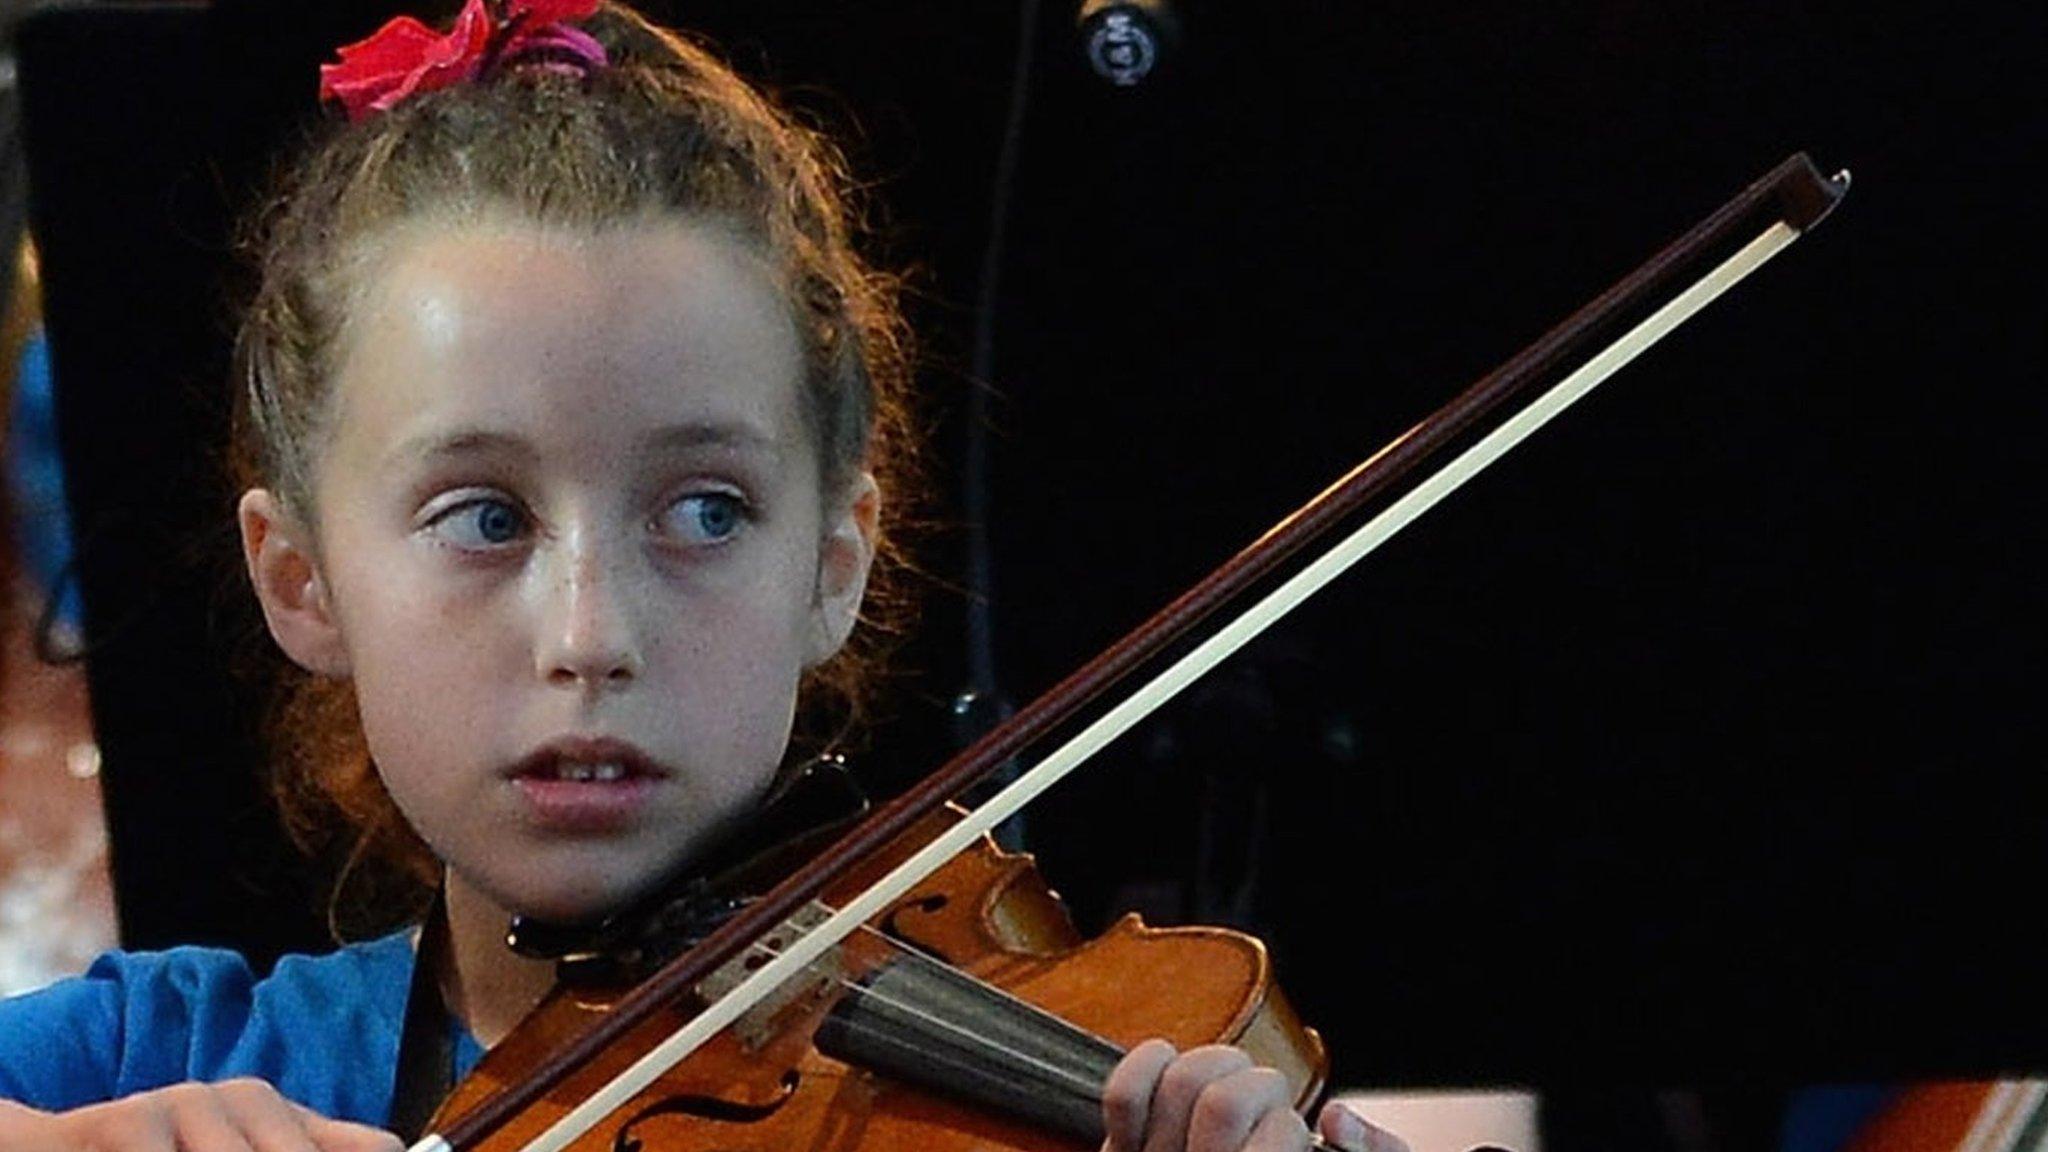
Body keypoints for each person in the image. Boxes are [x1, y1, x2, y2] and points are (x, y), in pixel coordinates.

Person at [0, 4, 1403, 1150]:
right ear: (300, 580)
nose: (590, 633)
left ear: (835, 563)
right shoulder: (161, 1059)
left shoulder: (1051, 1096)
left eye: (707, 511)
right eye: (484, 518)